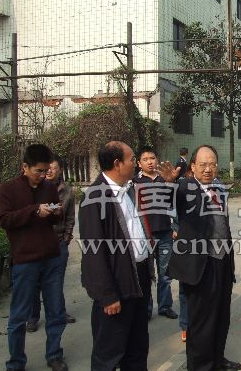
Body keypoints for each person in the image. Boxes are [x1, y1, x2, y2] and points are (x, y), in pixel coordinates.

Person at [162, 146, 241, 371]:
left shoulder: (219, 187)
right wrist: (169, 183)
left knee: (221, 315)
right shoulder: (184, 187)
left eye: (212, 164)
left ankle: (218, 359)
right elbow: (167, 202)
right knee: (201, 322)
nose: (208, 169)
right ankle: (200, 366)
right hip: (199, 264)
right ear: (193, 166)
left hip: (222, 261)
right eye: (203, 165)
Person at [79, 141, 154, 371]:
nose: (136, 163)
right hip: (117, 286)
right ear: (117, 163)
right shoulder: (95, 197)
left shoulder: (129, 189)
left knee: (137, 346)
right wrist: (107, 295)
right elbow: (94, 253)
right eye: (132, 159)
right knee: (109, 353)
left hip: (139, 278)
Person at [0, 144, 68, 371]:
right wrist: (34, 211)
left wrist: (55, 212)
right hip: (25, 260)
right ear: (25, 167)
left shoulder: (49, 188)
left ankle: (54, 354)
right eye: (39, 171)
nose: (43, 175)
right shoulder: (8, 189)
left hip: (51, 257)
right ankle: (16, 361)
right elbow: (4, 220)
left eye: (46, 170)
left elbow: (54, 220)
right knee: (19, 315)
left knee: (55, 311)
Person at [27, 156, 76, 333]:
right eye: (46, 168)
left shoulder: (67, 191)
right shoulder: (34, 188)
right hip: (37, 241)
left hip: (58, 241)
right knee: (34, 282)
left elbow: (70, 217)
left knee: (56, 282)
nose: (49, 171)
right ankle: (32, 317)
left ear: (60, 170)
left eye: (53, 168)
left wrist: (67, 237)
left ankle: (58, 313)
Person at [133, 146, 178, 320]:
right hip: (145, 235)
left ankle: (165, 306)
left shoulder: (164, 179)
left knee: (165, 274)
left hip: (165, 233)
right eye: (145, 159)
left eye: (152, 158)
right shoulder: (135, 182)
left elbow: (174, 203)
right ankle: (146, 307)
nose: (150, 162)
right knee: (146, 275)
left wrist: (175, 228)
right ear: (139, 163)